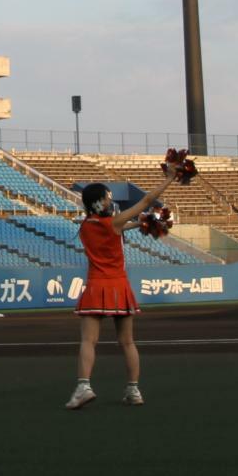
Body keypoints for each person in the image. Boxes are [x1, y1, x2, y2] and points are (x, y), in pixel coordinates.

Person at [65, 165, 183, 410]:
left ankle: (83, 387)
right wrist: (170, 179)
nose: (111, 202)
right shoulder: (114, 223)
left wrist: (146, 221)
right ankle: (133, 390)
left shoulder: (86, 226)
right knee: (127, 342)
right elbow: (148, 200)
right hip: (119, 286)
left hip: (96, 286)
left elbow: (127, 225)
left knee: (88, 341)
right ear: (98, 202)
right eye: (108, 198)